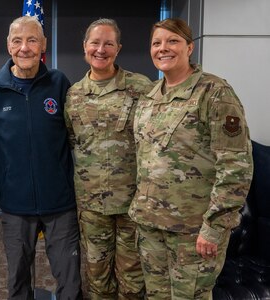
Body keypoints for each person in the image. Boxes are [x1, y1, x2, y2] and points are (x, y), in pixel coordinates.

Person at [128, 18, 254, 299]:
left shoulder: (215, 93)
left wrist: (214, 227)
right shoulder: (150, 96)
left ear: (189, 47)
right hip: (150, 226)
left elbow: (236, 167)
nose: (163, 48)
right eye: (157, 43)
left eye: (172, 41)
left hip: (192, 230)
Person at [0, 16, 82, 300]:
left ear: (43, 45)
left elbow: (74, 134)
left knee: (71, 282)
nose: (25, 47)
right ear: (8, 46)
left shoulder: (59, 83)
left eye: (32, 40)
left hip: (60, 203)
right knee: (18, 281)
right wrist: (8, 158)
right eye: (18, 41)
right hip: (14, 205)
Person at [64, 18, 152, 299]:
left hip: (132, 204)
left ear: (118, 48)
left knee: (132, 281)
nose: (101, 49)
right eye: (95, 42)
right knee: (97, 279)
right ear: (85, 47)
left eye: (108, 43)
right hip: (91, 207)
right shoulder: (74, 95)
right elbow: (71, 141)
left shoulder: (140, 88)